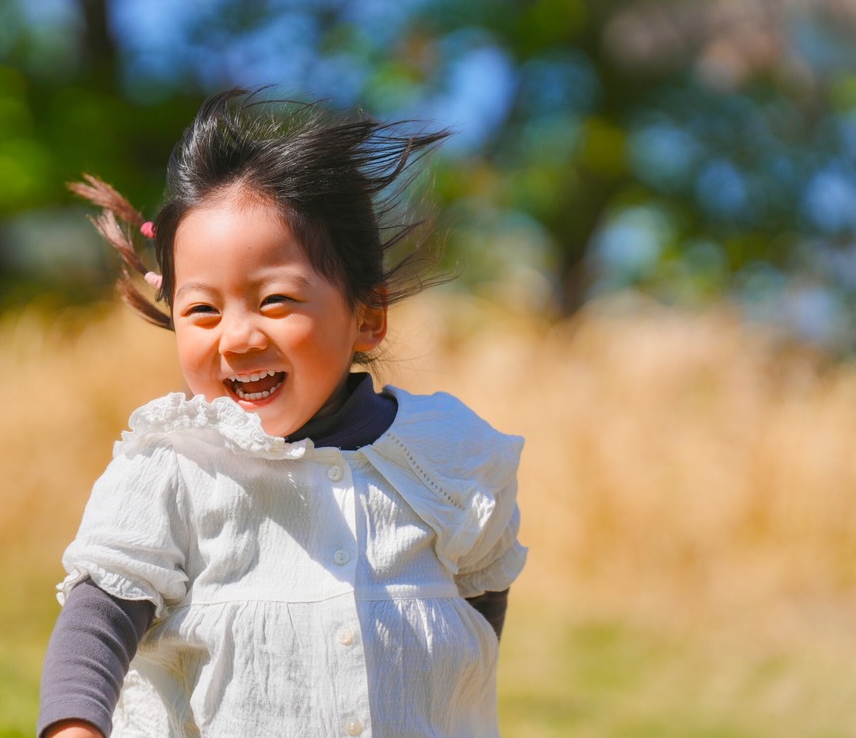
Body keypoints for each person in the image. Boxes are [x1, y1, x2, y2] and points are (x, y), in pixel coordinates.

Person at [38, 89, 527, 738]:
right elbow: (96, 620)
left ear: (367, 316)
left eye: (274, 301)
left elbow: (478, 611)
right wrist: (75, 727)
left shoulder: (444, 457)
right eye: (204, 311)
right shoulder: (175, 469)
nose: (236, 338)